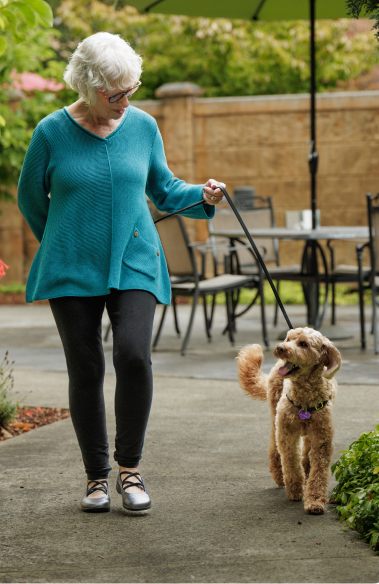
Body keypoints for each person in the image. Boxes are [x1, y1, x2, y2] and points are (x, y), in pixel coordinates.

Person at [18, 32, 226, 513]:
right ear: (87, 86)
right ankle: (96, 478)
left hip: (135, 258)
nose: (125, 101)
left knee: (133, 355)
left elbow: (167, 190)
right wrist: (62, 239)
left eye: (130, 90)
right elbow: (31, 200)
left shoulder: (143, 126)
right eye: (116, 94)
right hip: (71, 262)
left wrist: (205, 195)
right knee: (86, 366)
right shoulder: (50, 132)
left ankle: (130, 469)